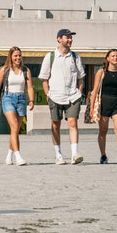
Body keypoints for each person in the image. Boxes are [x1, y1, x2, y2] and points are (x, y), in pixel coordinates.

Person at [38, 28, 85, 165]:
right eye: (67, 37)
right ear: (59, 39)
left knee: (73, 123)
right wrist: (48, 95)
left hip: (73, 96)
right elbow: (44, 79)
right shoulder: (50, 56)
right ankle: (58, 154)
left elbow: (81, 77)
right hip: (55, 96)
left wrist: (79, 92)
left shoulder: (75, 57)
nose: (70, 40)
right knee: (55, 125)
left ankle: (74, 154)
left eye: (71, 37)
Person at [0, 46, 35, 165]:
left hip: (21, 99)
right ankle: (18, 157)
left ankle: (9, 155)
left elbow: (29, 87)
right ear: (10, 57)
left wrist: (32, 100)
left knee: (15, 130)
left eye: (19, 55)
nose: (18, 58)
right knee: (14, 127)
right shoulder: (4, 70)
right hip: (8, 98)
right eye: (15, 55)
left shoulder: (25, 70)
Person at [88, 49, 117, 164]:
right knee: (103, 131)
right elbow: (95, 90)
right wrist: (91, 108)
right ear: (107, 58)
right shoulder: (101, 72)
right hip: (104, 104)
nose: (115, 58)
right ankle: (103, 155)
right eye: (113, 56)